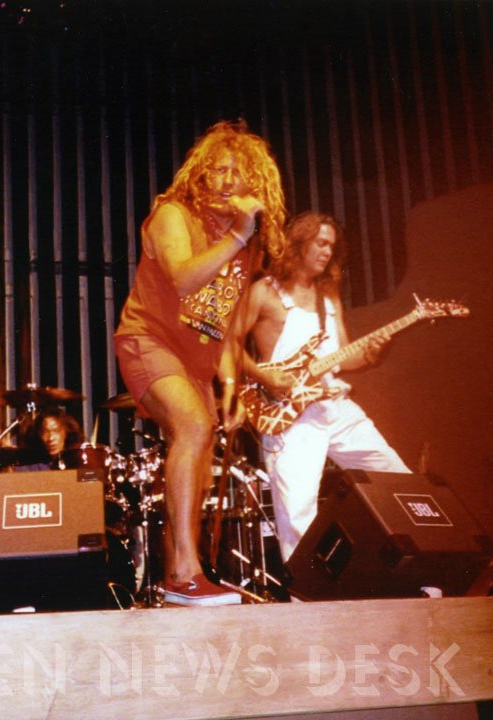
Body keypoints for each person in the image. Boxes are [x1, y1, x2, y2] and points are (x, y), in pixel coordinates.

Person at [113, 120, 287, 606]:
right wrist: (235, 237)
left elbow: (230, 324)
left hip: (197, 363)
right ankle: (188, 572)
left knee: (199, 452)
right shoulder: (173, 215)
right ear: (200, 175)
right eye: (218, 170)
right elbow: (185, 279)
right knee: (191, 427)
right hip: (148, 339)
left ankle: (177, 579)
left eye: (239, 173)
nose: (228, 180)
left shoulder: (245, 246)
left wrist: (230, 383)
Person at [234, 211, 411, 563]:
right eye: (321, 243)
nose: (328, 251)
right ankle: (308, 604)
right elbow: (225, 345)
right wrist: (266, 376)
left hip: (335, 404)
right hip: (290, 414)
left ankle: (421, 580)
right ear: (298, 244)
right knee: (298, 514)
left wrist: (372, 355)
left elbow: (344, 356)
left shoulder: (328, 298)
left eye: (332, 245)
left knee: (397, 480)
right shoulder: (264, 292)